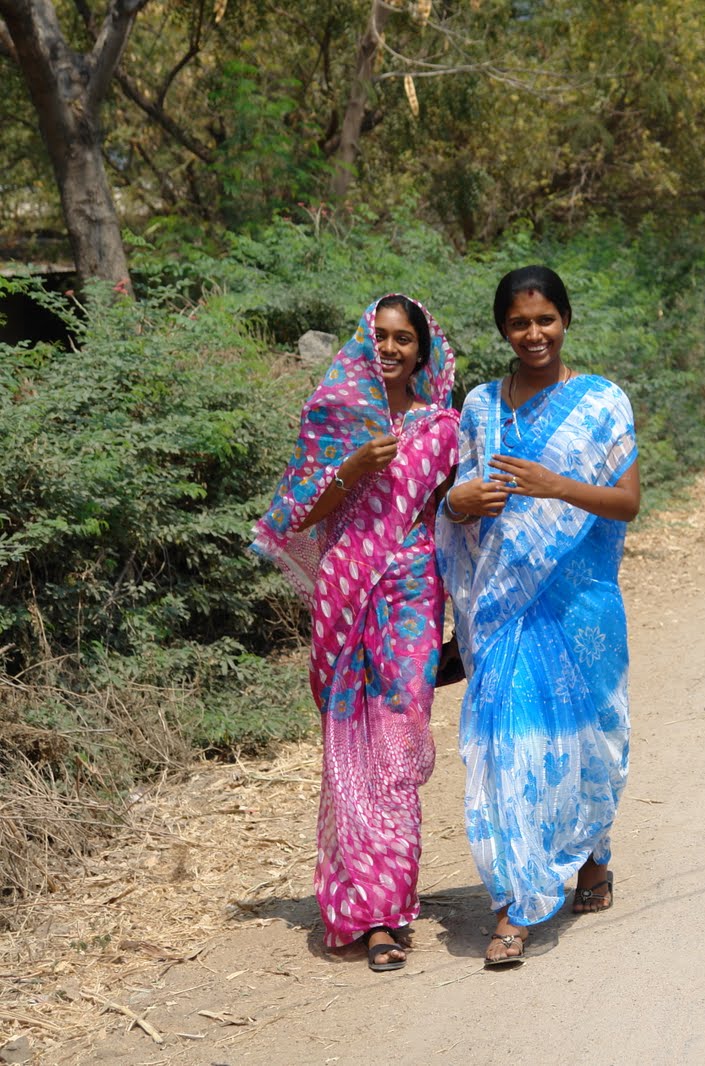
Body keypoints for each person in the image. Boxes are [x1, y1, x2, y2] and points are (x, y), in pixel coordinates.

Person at [435, 265, 640, 966]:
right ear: (503, 328)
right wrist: (457, 503)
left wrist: (557, 486)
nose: (534, 334)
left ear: (565, 320)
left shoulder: (602, 402)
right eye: (519, 323)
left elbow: (627, 504)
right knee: (507, 753)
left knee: (589, 746)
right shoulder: (480, 407)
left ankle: (590, 859)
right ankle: (515, 906)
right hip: (500, 611)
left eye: (545, 319)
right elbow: (457, 503)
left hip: (581, 607)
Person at [253, 294, 459, 971]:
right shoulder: (334, 416)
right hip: (345, 592)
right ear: (365, 343)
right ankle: (374, 914)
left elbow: (452, 517)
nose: (391, 348)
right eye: (381, 336)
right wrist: (352, 470)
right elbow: (298, 516)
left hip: (412, 597)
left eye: (405, 339)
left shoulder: (442, 429)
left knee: (398, 739)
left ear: (422, 352)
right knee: (350, 746)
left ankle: (389, 895)